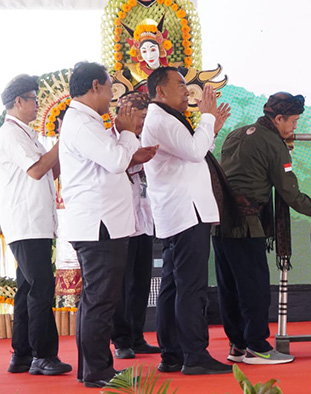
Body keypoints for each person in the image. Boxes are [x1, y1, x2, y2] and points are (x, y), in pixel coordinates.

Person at [215, 92, 311, 365]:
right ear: (278, 118)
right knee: (254, 288)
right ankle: (257, 347)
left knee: (229, 287)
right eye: (293, 122)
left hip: (219, 224)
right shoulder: (273, 144)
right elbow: (293, 197)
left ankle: (238, 346)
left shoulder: (235, 134)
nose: (294, 128)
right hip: (247, 225)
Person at [59, 61, 157, 388]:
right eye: (110, 89)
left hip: (100, 222)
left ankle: (91, 368)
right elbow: (115, 161)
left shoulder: (87, 121)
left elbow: (107, 160)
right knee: (101, 302)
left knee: (96, 302)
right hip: (98, 224)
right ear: (95, 86)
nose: (112, 97)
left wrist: (127, 147)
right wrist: (127, 133)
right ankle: (98, 371)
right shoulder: (82, 123)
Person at [142, 66, 232, 375]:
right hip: (185, 212)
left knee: (173, 285)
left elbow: (194, 149)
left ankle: (172, 353)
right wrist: (207, 117)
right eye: (180, 84)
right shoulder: (162, 119)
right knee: (190, 286)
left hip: (180, 212)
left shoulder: (165, 119)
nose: (187, 90)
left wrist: (211, 128)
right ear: (160, 91)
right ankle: (194, 354)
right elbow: (195, 151)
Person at [0, 74, 72, 375]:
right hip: (26, 221)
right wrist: (64, 138)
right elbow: (36, 170)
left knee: (29, 287)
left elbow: (47, 173)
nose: (38, 105)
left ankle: (22, 354)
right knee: (41, 287)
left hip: (35, 222)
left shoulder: (27, 134)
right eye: (34, 99)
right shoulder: (11, 134)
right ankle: (43, 355)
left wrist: (60, 151)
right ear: (19, 101)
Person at [111, 91, 160, 359]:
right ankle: (120, 340)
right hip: (120, 219)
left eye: (144, 118)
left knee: (141, 281)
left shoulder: (145, 137)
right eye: (138, 118)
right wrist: (135, 160)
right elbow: (113, 167)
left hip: (143, 219)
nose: (141, 124)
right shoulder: (112, 139)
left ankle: (137, 335)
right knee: (121, 283)